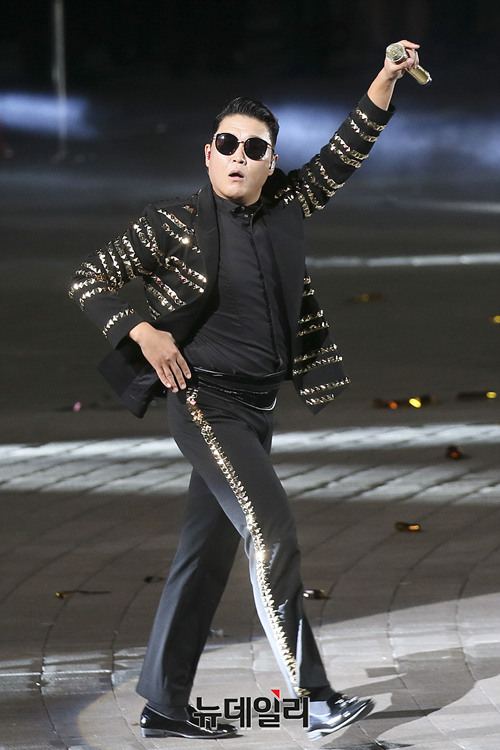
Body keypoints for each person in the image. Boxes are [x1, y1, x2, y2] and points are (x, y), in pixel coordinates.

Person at [69, 40, 421, 741]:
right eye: (226, 144)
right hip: (207, 404)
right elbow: (88, 280)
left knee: (204, 557)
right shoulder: (172, 223)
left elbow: (348, 149)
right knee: (272, 533)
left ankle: (164, 705)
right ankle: (315, 699)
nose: (237, 156)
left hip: (258, 410)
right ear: (208, 154)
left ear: (269, 162)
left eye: (253, 148)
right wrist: (142, 330)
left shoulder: (289, 204)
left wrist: (386, 78)